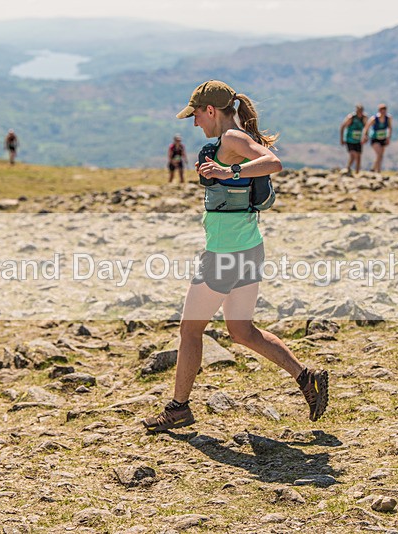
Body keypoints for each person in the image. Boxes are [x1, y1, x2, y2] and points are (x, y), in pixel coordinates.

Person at [141, 80, 329, 433]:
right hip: (248, 248)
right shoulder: (230, 139)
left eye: (196, 115)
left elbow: (273, 162)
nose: (195, 123)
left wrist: (230, 172)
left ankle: (178, 408)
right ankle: (307, 378)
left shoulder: (231, 139)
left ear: (210, 110)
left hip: (226, 254)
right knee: (241, 331)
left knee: (190, 329)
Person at [362, 104, 393, 173]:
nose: (383, 112)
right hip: (375, 138)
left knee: (381, 155)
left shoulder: (388, 118)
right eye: (382, 111)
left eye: (384, 111)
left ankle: (376, 170)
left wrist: (388, 138)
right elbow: (366, 127)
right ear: (379, 111)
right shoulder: (374, 119)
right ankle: (376, 170)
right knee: (379, 154)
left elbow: (390, 128)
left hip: (383, 138)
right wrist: (365, 136)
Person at [339, 104, 367, 175]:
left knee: (359, 156)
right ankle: (348, 168)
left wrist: (366, 136)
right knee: (353, 155)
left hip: (358, 140)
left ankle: (357, 172)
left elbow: (366, 127)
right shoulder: (351, 117)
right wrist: (342, 138)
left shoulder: (364, 118)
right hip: (350, 139)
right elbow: (342, 127)